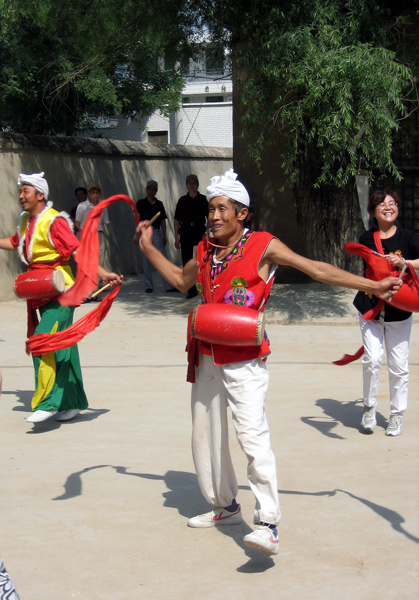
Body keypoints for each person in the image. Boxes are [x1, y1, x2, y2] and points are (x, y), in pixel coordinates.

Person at [137, 169, 401, 556]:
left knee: (251, 435)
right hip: (206, 353)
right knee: (206, 436)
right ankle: (224, 506)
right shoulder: (203, 248)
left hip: (244, 358)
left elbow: (317, 269)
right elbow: (180, 280)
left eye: (221, 209)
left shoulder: (262, 245)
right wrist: (148, 249)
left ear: (242, 213)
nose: (213, 216)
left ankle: (268, 523)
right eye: (210, 209)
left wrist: (374, 286)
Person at [0, 172, 122, 424]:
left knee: (42, 341)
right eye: (21, 191)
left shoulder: (54, 222)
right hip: (39, 292)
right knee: (64, 345)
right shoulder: (26, 223)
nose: (21, 195)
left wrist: (102, 274)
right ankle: (73, 401)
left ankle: (47, 402)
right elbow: (15, 243)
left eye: (26, 191)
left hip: (60, 292)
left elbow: (77, 252)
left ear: (40, 194)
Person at [353, 188, 419, 437]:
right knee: (371, 360)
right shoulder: (365, 239)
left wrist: (406, 263)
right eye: (382, 204)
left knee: (399, 366)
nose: (388, 207)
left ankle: (396, 414)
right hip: (370, 308)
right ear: (373, 211)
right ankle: (369, 407)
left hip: (399, 313)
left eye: (392, 203)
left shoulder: (410, 237)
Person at [133, 180, 178, 293]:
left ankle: (168, 286)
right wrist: (136, 234)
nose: (151, 191)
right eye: (149, 188)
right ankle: (149, 285)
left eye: (153, 189)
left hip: (156, 231)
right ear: (146, 189)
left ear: (156, 191)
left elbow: (163, 220)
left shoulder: (159, 204)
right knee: (146, 260)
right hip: (144, 232)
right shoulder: (140, 203)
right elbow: (137, 219)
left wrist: (164, 235)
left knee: (162, 258)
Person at [174, 174, 208, 298]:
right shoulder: (182, 200)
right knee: (187, 261)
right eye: (189, 183)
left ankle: (205, 287)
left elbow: (209, 218)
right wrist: (176, 237)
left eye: (193, 183)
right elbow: (176, 219)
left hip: (200, 230)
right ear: (186, 185)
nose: (191, 185)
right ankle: (191, 290)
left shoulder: (204, 199)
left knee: (202, 260)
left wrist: (207, 233)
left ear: (197, 185)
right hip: (186, 231)